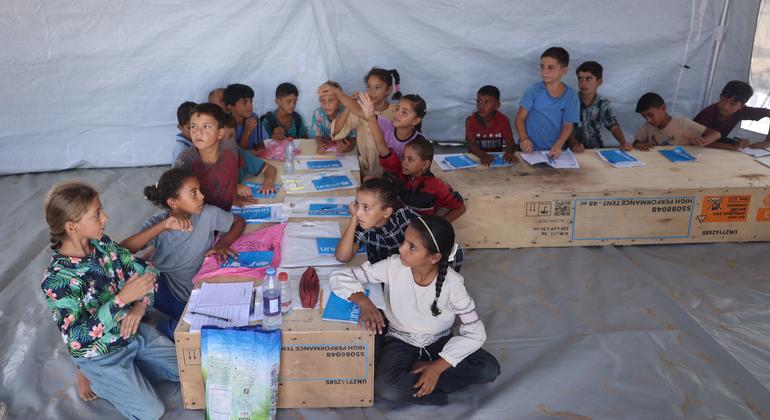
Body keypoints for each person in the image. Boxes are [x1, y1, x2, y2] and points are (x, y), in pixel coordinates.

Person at [42, 181, 179, 418]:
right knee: (152, 412)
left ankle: (128, 376)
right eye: (97, 214)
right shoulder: (57, 280)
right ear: (72, 227)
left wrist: (140, 305)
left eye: (101, 210)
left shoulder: (102, 245)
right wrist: (121, 300)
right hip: (101, 356)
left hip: (131, 333)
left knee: (186, 369)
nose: (105, 218)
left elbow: (148, 270)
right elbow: (76, 339)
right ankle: (97, 379)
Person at [330, 216, 500, 405]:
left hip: (440, 342)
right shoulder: (392, 266)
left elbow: (475, 333)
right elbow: (341, 276)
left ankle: (424, 376)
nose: (401, 249)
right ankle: (431, 385)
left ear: (434, 257)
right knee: (385, 387)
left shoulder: (453, 284)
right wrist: (363, 302)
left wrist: (438, 366)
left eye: (412, 247)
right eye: (405, 241)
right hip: (400, 341)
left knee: (489, 369)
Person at [121, 168, 246, 339]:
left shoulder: (207, 213)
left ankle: (159, 321)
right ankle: (151, 319)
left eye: (199, 190)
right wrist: (164, 226)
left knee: (217, 320)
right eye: (194, 193)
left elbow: (239, 222)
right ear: (173, 202)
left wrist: (223, 243)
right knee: (198, 328)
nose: (202, 196)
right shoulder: (158, 223)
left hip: (193, 291)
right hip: (164, 288)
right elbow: (120, 251)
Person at [358, 92, 466, 221]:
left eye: (410, 159)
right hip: (400, 224)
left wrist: (437, 226)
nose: (404, 162)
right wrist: (370, 118)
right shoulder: (400, 172)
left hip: (420, 230)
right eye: (403, 157)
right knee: (368, 181)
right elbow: (383, 151)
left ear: (425, 164)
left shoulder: (435, 186)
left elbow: (460, 208)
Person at [175, 103, 277, 211]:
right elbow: (179, 199)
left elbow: (231, 175)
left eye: (206, 126)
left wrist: (233, 196)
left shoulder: (231, 148)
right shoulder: (186, 159)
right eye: (193, 126)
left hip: (225, 210)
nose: (198, 133)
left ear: (220, 133)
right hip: (201, 212)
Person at [319, 68, 401, 178]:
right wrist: (349, 107)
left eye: (377, 88)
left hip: (389, 173)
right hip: (365, 171)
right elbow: (336, 132)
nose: (371, 92)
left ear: (389, 90)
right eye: (369, 87)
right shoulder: (360, 110)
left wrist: (341, 96)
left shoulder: (397, 112)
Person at [335, 178, 420, 265]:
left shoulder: (406, 218)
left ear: (386, 212)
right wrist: (354, 218)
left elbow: (426, 247)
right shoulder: (365, 226)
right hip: (377, 270)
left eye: (366, 207)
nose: (358, 213)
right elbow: (342, 257)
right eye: (357, 204)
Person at [515, 47, 580, 159]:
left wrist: (559, 145)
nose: (544, 72)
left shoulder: (571, 95)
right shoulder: (533, 90)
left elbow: (568, 125)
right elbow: (520, 118)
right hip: (530, 151)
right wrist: (524, 138)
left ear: (563, 70)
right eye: (542, 67)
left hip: (555, 151)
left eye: (550, 67)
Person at [566, 61, 632, 152]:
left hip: (595, 148)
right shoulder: (570, 102)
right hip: (572, 149)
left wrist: (623, 142)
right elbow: (565, 126)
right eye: (580, 79)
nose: (583, 83)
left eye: (589, 79)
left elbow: (613, 126)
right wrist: (573, 144)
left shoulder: (603, 104)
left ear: (599, 81)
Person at [693, 80, 770, 150]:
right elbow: (700, 141)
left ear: (742, 106)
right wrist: (732, 146)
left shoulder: (742, 111)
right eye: (723, 100)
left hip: (718, 143)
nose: (725, 106)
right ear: (720, 96)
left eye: (732, 104)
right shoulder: (709, 113)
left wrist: (767, 142)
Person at [633, 92, 720, 150]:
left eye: (651, 115)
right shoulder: (648, 125)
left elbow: (716, 133)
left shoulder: (683, 123)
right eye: (644, 117)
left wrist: (704, 141)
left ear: (663, 108)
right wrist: (639, 145)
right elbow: (636, 142)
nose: (648, 120)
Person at [465, 85, 517, 165]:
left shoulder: (503, 120)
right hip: (476, 158)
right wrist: (483, 155)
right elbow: (471, 144)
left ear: (497, 105)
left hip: (495, 161)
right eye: (479, 101)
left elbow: (511, 143)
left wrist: (509, 153)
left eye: (486, 102)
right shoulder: (471, 120)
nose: (481, 106)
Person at [311, 80, 356, 154]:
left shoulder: (347, 113)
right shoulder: (317, 113)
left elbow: (353, 137)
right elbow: (318, 135)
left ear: (340, 101)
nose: (326, 104)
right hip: (327, 150)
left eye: (330, 100)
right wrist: (320, 145)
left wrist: (349, 147)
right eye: (322, 100)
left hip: (344, 150)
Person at [224, 83, 270, 152]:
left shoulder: (253, 117)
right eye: (244, 102)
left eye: (251, 101)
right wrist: (247, 131)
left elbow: (261, 145)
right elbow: (237, 153)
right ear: (230, 107)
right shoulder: (225, 123)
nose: (250, 106)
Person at [171, 101, 197, 165]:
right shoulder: (181, 149)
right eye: (191, 127)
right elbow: (178, 170)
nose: (197, 131)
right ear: (180, 127)